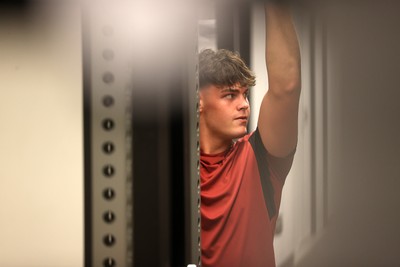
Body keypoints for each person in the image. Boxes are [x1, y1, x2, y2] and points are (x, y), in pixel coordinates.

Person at [199, 2, 301, 267]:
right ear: (198, 101)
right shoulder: (174, 173)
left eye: (244, 95)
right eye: (230, 95)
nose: (244, 104)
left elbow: (286, 87)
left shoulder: (258, 159)